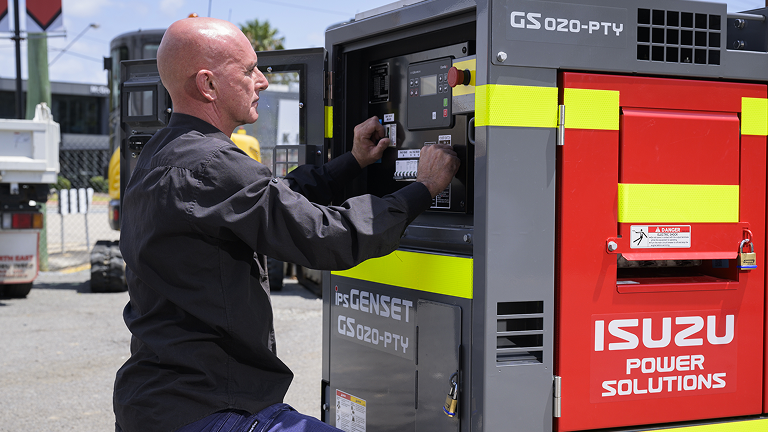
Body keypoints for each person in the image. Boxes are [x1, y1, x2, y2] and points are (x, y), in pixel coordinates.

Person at [113, 17, 459, 432]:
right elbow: (329, 237)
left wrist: (351, 162)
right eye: (248, 70)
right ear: (208, 85)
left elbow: (271, 198)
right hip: (211, 407)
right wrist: (423, 188)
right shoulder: (214, 164)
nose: (261, 80)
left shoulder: (160, 154)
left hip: (152, 404)